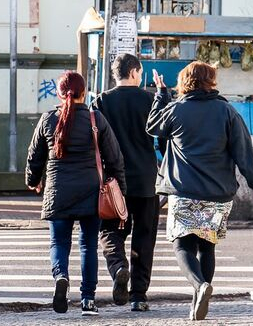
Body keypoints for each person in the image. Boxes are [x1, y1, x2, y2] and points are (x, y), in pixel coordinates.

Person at [146, 62, 253, 321]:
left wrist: (161, 94)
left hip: (184, 191)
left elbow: (152, 126)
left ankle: (199, 286)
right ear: (211, 81)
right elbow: (245, 157)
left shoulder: (176, 110)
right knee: (207, 247)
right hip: (218, 195)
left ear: (184, 82)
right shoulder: (228, 112)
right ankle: (198, 303)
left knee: (182, 245)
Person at [25, 71, 126, 316]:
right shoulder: (96, 119)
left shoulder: (48, 119)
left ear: (60, 94)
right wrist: (120, 191)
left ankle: (61, 277)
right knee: (88, 245)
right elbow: (115, 158)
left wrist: (33, 180)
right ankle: (88, 300)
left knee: (59, 242)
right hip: (91, 192)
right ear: (84, 92)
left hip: (58, 192)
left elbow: (34, 156)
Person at [90, 54, 161, 312]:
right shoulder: (150, 99)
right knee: (144, 236)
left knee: (110, 230)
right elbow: (162, 136)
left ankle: (119, 266)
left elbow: (94, 140)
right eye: (140, 73)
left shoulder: (102, 101)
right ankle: (139, 296)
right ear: (134, 72)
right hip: (145, 179)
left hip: (113, 183)